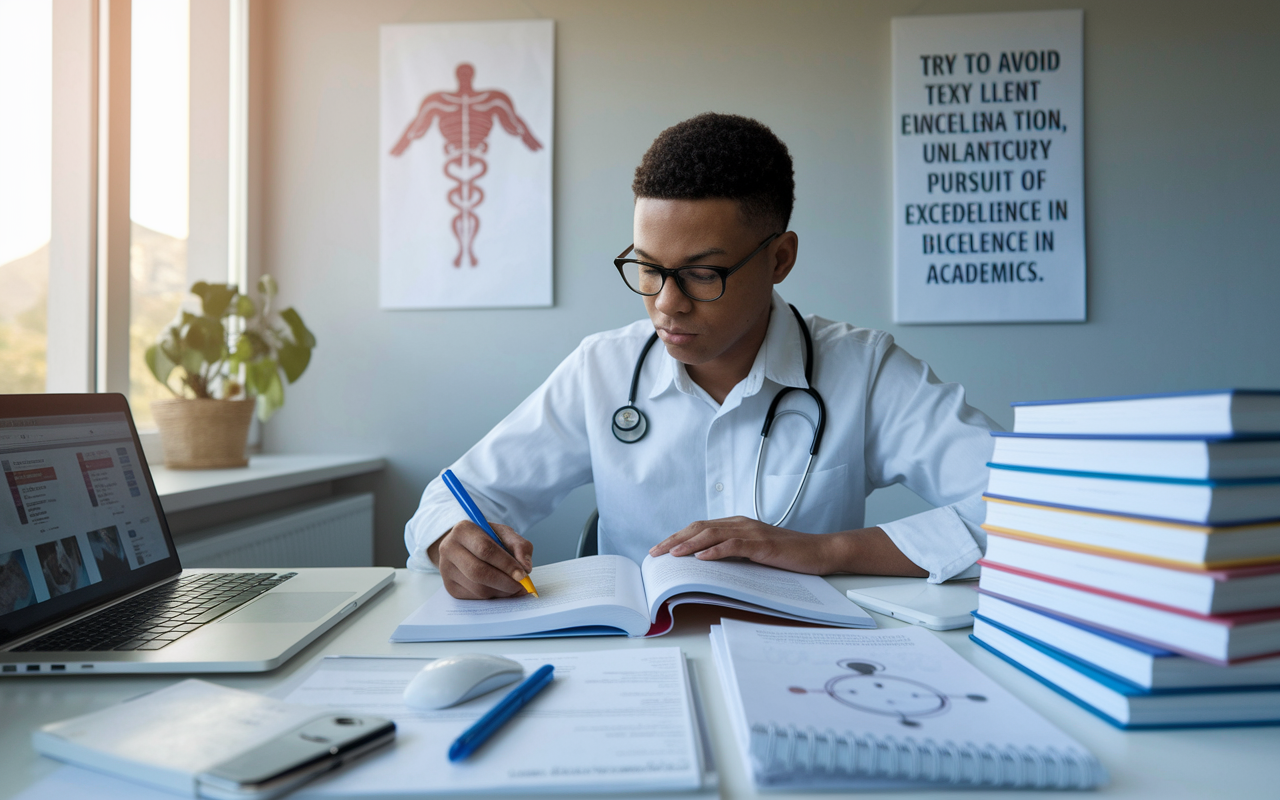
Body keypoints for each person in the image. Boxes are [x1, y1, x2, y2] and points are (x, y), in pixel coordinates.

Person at [405, 113, 997, 600]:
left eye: (702, 274)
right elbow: (449, 500)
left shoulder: (862, 371)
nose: (667, 305)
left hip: (815, 661)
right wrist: (452, 543)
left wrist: (824, 551)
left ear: (780, 259)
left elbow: (1036, 511)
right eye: (648, 268)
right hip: (642, 664)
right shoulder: (601, 371)